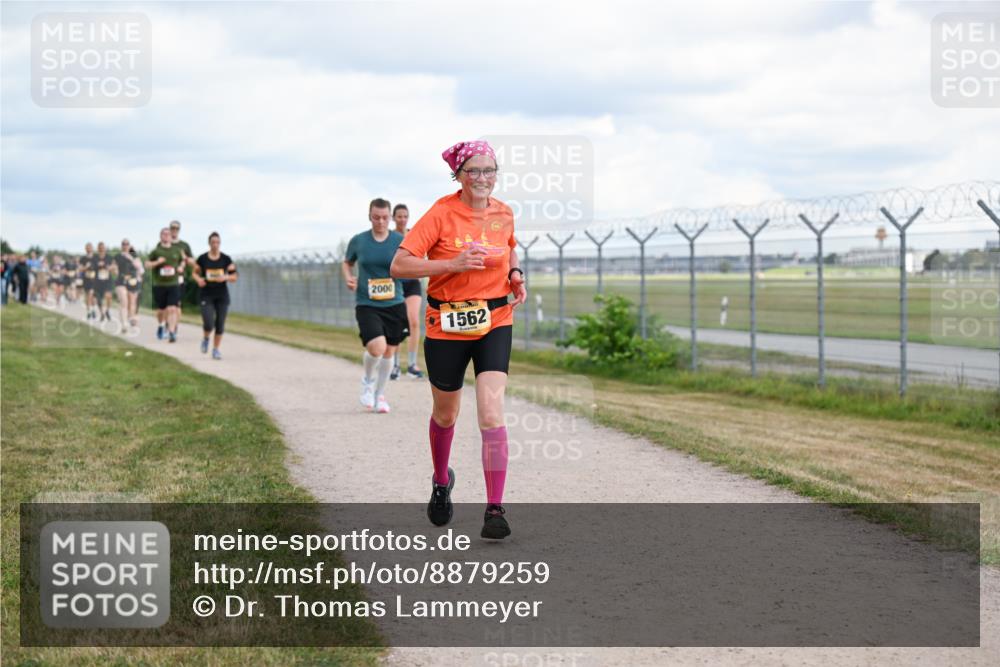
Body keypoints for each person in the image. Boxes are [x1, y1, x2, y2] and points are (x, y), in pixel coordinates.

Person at [390, 140, 527, 540]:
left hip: (495, 319)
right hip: (446, 322)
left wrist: (515, 275)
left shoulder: (504, 212)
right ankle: (440, 479)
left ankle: (495, 508)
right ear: (459, 176)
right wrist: (452, 263)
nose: (483, 178)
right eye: (474, 171)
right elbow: (400, 265)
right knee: (446, 414)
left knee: (490, 412)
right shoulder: (441, 213)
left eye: (490, 170)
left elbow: (510, 250)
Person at [343, 198, 409, 414]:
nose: (380, 221)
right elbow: (347, 262)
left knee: (389, 351)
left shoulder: (399, 240)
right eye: (376, 217)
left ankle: (380, 394)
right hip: (367, 303)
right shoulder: (359, 241)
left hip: (395, 302)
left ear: (390, 217)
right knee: (376, 347)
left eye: (384, 217)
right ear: (369, 216)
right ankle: (367, 381)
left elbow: (410, 262)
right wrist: (349, 277)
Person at [390, 203, 425, 380]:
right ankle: (394, 364)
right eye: (399, 216)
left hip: (412, 283)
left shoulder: (413, 233)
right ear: (393, 218)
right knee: (397, 322)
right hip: (395, 284)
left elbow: (422, 255)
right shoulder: (389, 237)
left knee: (414, 322)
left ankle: (412, 364)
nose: (402, 219)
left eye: (405, 216)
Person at [193, 232, 238, 360]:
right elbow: (195, 273)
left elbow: (235, 276)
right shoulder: (202, 259)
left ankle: (216, 349)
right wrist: (198, 280)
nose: (215, 245)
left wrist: (226, 277)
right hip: (206, 295)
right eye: (213, 242)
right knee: (208, 323)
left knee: (220, 323)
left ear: (220, 243)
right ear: (209, 243)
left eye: (217, 242)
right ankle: (206, 338)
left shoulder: (226, 259)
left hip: (222, 295)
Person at [146, 227, 187, 343]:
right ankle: (161, 325)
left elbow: (184, 260)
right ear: (160, 236)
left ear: (171, 236)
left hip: (173, 284)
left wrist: (181, 266)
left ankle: (172, 332)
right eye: (164, 234)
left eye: (168, 234)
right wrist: (157, 262)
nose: (166, 236)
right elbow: (147, 264)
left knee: (172, 308)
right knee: (161, 310)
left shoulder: (176, 250)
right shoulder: (156, 251)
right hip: (159, 284)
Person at [169, 220, 195, 327]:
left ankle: (174, 328)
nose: (174, 230)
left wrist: (185, 258)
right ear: (169, 229)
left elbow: (193, 262)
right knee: (166, 306)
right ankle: (167, 324)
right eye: (172, 228)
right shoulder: (164, 243)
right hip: (163, 280)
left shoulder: (184, 245)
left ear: (179, 230)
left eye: (176, 228)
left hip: (178, 278)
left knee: (177, 305)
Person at [114, 239, 143, 331]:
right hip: (121, 280)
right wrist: (115, 271)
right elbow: (114, 268)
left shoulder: (135, 256)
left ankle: (131, 317)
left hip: (133, 280)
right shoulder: (118, 256)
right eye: (123, 244)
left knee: (132, 302)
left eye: (127, 244)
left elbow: (141, 269)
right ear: (121, 246)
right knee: (124, 301)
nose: (125, 245)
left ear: (129, 245)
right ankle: (124, 324)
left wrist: (132, 257)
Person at [92, 242, 115, 321]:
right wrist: (98, 265)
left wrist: (110, 267)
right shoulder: (95, 257)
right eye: (100, 247)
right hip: (98, 281)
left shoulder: (109, 257)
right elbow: (92, 267)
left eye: (103, 247)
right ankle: (102, 313)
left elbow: (113, 266)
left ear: (105, 248)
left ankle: (108, 310)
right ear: (98, 249)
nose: (102, 249)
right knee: (99, 299)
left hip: (107, 280)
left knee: (109, 296)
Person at [80, 243, 97, 319]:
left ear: (92, 248)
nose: (89, 249)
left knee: (92, 295)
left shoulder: (96, 257)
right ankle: (89, 311)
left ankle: (93, 309)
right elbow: (80, 269)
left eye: (90, 247)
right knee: (88, 296)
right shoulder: (83, 258)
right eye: (87, 247)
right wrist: (86, 267)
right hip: (86, 279)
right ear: (85, 249)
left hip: (95, 280)